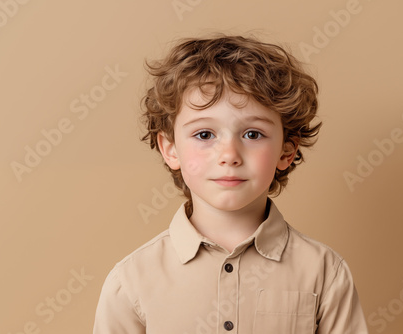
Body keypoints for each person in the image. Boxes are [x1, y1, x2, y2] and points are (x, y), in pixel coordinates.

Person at [93, 34, 369, 334]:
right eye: (204, 135)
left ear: (286, 151)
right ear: (171, 149)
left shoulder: (325, 273)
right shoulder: (131, 280)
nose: (229, 156)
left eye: (252, 134)